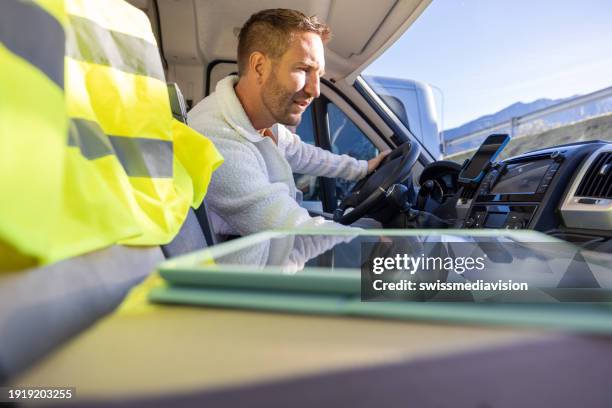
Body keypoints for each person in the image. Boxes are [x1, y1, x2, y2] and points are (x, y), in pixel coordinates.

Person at [188, 8, 389, 237]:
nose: (315, 90)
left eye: (319, 75)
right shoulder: (216, 138)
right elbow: (292, 231)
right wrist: (366, 242)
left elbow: (304, 154)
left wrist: (362, 168)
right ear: (259, 67)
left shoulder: (263, 120)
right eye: (303, 69)